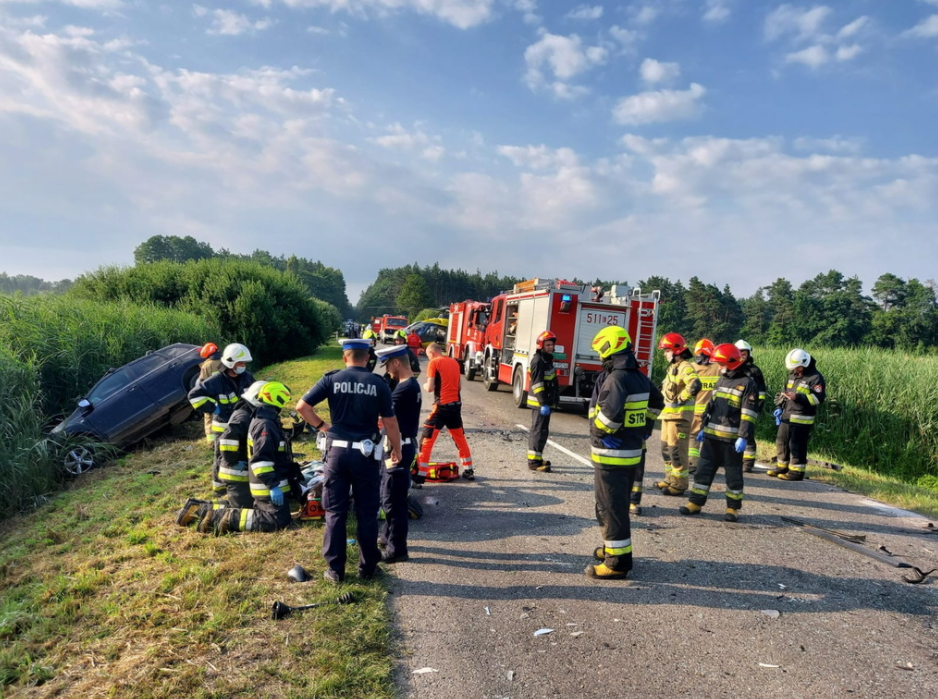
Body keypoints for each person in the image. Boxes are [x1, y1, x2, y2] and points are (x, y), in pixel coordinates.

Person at [296, 338, 402, 583]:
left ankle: (335, 571)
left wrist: (323, 426)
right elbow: (390, 422)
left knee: (335, 512)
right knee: (366, 513)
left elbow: (302, 407)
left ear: (345, 357)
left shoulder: (331, 379)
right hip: (365, 456)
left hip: (337, 454)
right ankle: (368, 568)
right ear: (367, 359)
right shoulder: (378, 384)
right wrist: (396, 449)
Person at [586, 327, 663, 580]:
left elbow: (608, 419)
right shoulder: (639, 376)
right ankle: (612, 549)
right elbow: (657, 402)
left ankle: (617, 563)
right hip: (631, 453)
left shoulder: (616, 379)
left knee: (610, 508)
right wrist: (644, 428)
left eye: (600, 351)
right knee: (616, 506)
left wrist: (598, 434)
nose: (599, 357)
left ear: (609, 348)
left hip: (612, 456)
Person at [195, 382, 298, 534]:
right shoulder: (256, 421)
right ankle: (218, 515)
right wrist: (233, 462)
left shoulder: (261, 417)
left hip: (255, 477)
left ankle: (203, 510)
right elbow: (259, 457)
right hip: (246, 476)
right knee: (270, 518)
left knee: (249, 508)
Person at [679, 344, 759, 522]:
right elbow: (711, 406)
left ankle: (732, 508)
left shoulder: (747, 384)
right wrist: (703, 428)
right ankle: (695, 503)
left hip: (731, 441)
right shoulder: (721, 380)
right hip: (711, 437)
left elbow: (749, 414)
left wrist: (743, 437)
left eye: (721, 363)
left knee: (733, 476)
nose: (719, 367)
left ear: (730, 362)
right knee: (702, 472)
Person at [175, 380, 266, 528]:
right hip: (234, 472)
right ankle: (198, 510)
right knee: (242, 510)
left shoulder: (248, 411)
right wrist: (233, 461)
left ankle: (195, 505)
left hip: (238, 472)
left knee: (242, 504)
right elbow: (227, 439)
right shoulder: (243, 416)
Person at [187, 343, 255, 496]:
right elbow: (194, 395)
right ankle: (219, 488)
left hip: (242, 426)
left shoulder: (247, 377)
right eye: (240, 363)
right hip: (223, 427)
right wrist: (213, 408)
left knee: (240, 455)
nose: (243, 366)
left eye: (244, 363)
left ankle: (240, 485)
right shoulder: (217, 380)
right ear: (231, 363)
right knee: (221, 457)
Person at [375, 345, 422, 563]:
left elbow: (384, 415)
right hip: (398, 446)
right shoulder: (408, 385)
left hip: (398, 449)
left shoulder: (405, 389)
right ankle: (386, 535)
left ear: (396, 362)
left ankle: (398, 549)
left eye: (388, 365)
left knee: (393, 499)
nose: (388, 371)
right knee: (390, 493)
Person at [416, 343, 474, 482]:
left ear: (432, 353)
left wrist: (424, 385)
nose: (428, 358)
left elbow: (430, 388)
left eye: (428, 355)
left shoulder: (434, 363)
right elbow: (459, 387)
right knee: (459, 438)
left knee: (427, 440)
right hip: (455, 407)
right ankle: (469, 470)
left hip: (441, 407)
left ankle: (419, 476)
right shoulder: (454, 362)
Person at [767, 348, 827, 482]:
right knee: (781, 441)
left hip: (802, 418)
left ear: (804, 364)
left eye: (797, 367)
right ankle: (782, 466)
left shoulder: (815, 378)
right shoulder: (792, 375)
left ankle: (796, 472)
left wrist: (798, 397)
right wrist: (779, 406)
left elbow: (818, 398)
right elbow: (784, 393)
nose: (795, 370)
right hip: (787, 415)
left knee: (796, 444)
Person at [654, 333, 701, 496]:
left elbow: (695, 385)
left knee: (677, 451)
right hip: (668, 417)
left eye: (666, 350)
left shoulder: (685, 367)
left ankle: (680, 484)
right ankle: (670, 479)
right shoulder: (673, 368)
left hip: (679, 418)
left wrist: (681, 397)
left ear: (676, 350)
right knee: (666, 449)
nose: (664, 354)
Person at [526, 330, 558, 473]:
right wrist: (543, 403)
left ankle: (538, 458)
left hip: (546, 403)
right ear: (541, 345)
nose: (551, 347)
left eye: (552, 345)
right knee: (538, 431)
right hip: (540, 404)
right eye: (548, 345)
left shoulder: (547, 359)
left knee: (543, 432)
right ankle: (533, 462)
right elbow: (537, 384)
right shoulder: (538, 361)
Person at [688, 339, 721, 475]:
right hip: (715, 412)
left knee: (693, 437)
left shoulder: (691, 368)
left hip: (695, 411)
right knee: (712, 439)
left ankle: (692, 463)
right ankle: (710, 465)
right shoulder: (718, 368)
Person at [735, 340, 768, 472]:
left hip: (749, 408)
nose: (742, 356)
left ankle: (747, 463)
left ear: (749, 353)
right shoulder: (733, 369)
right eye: (739, 353)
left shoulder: (755, 371)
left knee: (747, 434)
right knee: (731, 434)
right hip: (734, 407)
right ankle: (732, 459)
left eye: (744, 353)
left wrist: (757, 408)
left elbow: (761, 392)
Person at [197, 342, 224, 443]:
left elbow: (202, 383)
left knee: (209, 417)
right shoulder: (225, 361)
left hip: (212, 396)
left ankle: (212, 442)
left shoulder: (206, 366)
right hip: (228, 394)